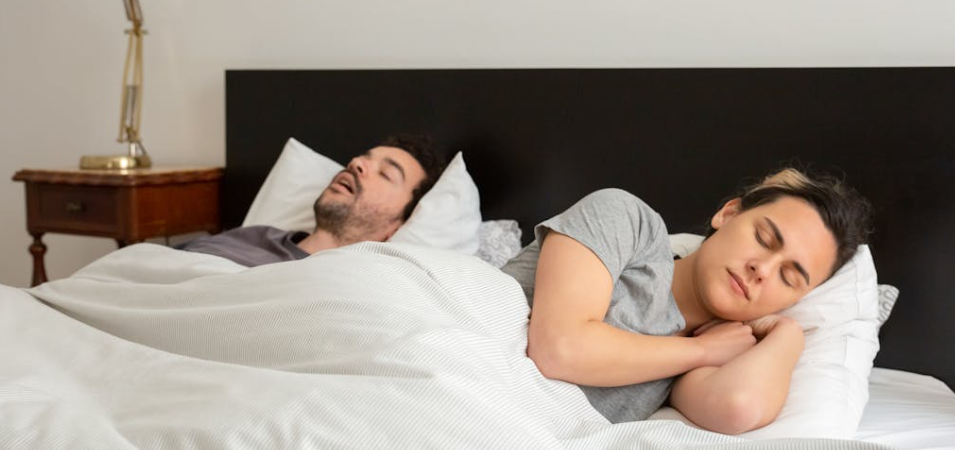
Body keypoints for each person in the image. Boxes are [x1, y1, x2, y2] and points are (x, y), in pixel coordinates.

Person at [500, 168, 872, 433]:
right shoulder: (626, 220)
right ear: (728, 214)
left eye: (788, 278)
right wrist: (702, 351)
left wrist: (788, 335)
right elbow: (559, 349)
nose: (762, 269)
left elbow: (738, 406)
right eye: (763, 238)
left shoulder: (705, 357)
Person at [179, 134, 446, 267]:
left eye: (386, 174)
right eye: (363, 158)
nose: (356, 163)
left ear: (397, 227)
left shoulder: (361, 284)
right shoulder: (252, 236)